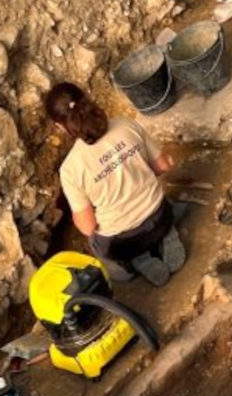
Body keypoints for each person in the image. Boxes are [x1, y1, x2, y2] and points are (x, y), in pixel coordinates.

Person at [45, 80, 184, 287]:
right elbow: (162, 166)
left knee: (113, 267)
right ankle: (167, 234)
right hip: (158, 214)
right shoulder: (125, 124)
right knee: (159, 213)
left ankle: (140, 260)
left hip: (124, 242)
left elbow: (88, 226)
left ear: (60, 126)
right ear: (87, 99)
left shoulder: (71, 168)